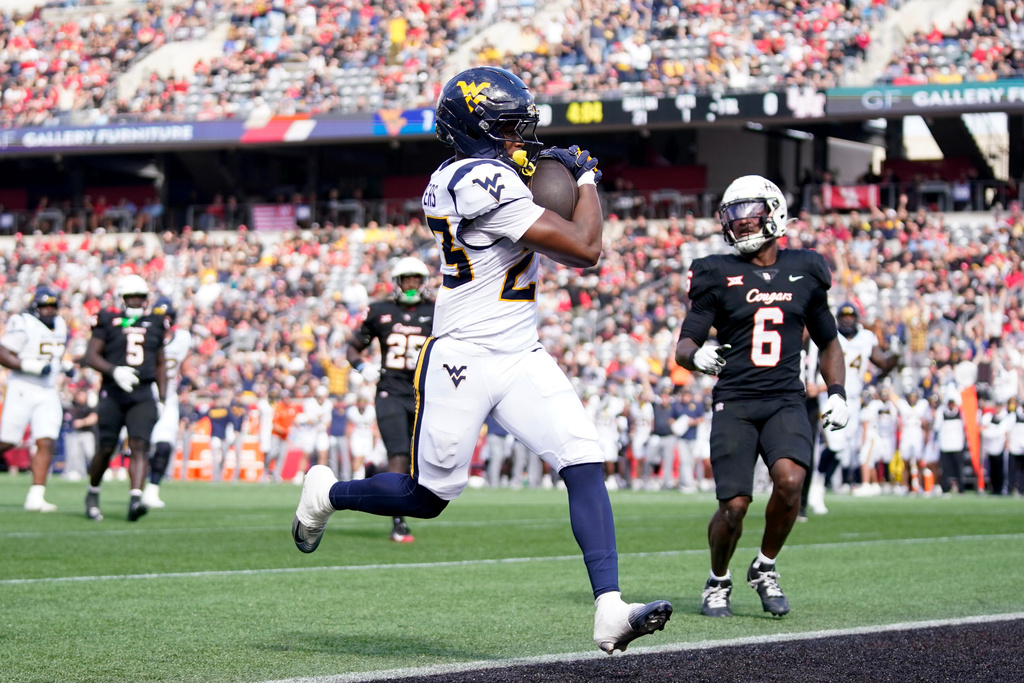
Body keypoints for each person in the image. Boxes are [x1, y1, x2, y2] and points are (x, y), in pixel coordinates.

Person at [293, 66, 672, 653]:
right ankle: (327, 493)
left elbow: (541, 200)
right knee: (429, 497)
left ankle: (609, 608)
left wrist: (547, 168)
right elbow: (586, 248)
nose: (520, 140)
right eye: (508, 129)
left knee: (583, 457)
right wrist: (587, 178)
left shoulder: (485, 170)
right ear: (475, 129)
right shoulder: (471, 180)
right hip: (462, 357)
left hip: (520, 352)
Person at [674, 174, 848, 618]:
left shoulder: (806, 268)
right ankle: (717, 579)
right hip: (735, 400)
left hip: (786, 398)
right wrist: (699, 358)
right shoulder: (716, 272)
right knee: (733, 506)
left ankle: (765, 566)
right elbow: (684, 345)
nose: (741, 224)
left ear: (775, 213)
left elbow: (829, 341)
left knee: (791, 482)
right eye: (733, 216)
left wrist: (838, 393)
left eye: (749, 215)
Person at [345, 256, 434, 543]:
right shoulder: (380, 310)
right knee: (397, 452)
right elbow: (353, 348)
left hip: (424, 392)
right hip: (390, 391)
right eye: (406, 279)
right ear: (397, 282)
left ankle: (374, 472)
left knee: (417, 458)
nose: (411, 285)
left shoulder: (437, 311)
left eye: (415, 279)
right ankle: (398, 521)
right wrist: (362, 367)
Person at [84, 274, 167, 521]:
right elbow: (91, 356)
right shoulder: (108, 320)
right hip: (113, 391)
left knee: (140, 445)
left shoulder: (156, 322)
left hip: (142, 392)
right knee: (106, 447)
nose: (135, 301)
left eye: (139, 297)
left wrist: (162, 397)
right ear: (121, 297)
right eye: (130, 296)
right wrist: (113, 370)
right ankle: (92, 492)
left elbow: (161, 364)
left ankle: (135, 499)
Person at [809, 303, 898, 496]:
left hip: (854, 399)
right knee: (835, 445)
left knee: (846, 450)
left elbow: (882, 362)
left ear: (857, 318)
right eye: (843, 316)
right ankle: (817, 485)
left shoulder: (866, 338)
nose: (847, 319)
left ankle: (822, 484)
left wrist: (897, 355)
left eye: (851, 316)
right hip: (831, 395)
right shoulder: (830, 335)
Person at [0, 287, 68, 512]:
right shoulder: (23, 322)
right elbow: (3, 352)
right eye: (44, 306)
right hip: (23, 387)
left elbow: (55, 355)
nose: (48, 310)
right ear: (35, 307)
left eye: (52, 306)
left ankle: (36, 496)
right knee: (8, 440)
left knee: (46, 440)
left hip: (47, 390)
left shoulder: (60, 324)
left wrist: (64, 367)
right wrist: (29, 366)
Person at [143, 297, 191, 508]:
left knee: (164, 445)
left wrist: (188, 383)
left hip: (168, 396)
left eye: (167, 317)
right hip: (143, 395)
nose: (163, 321)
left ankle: (152, 489)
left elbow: (185, 367)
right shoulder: (143, 336)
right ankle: (136, 490)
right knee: (140, 446)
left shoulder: (182, 338)